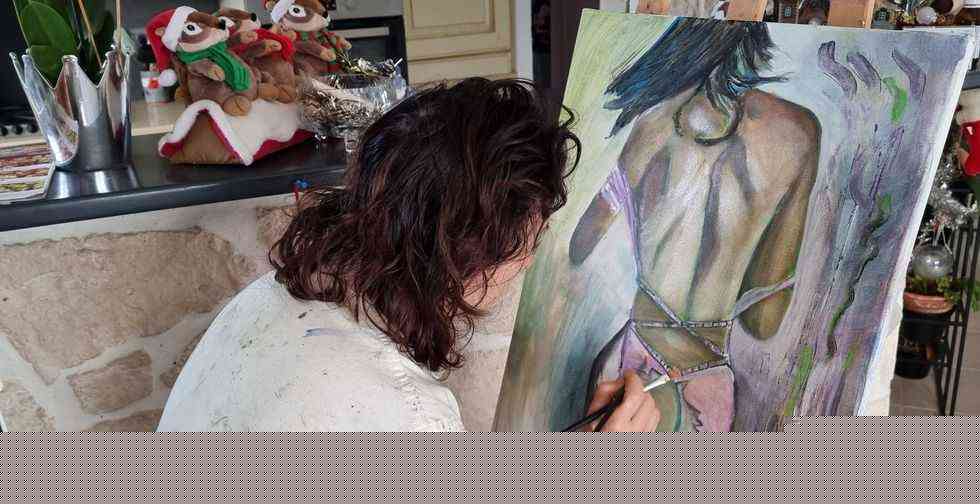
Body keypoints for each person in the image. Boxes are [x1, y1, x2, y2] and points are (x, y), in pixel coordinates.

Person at [158, 78, 661, 432]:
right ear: (470, 254)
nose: (530, 260)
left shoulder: (264, 298)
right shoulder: (408, 412)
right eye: (530, 238)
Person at [569, 19, 820, 431]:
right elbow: (763, 323)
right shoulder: (798, 133)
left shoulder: (652, 121)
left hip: (631, 370)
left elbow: (579, 245)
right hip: (709, 382)